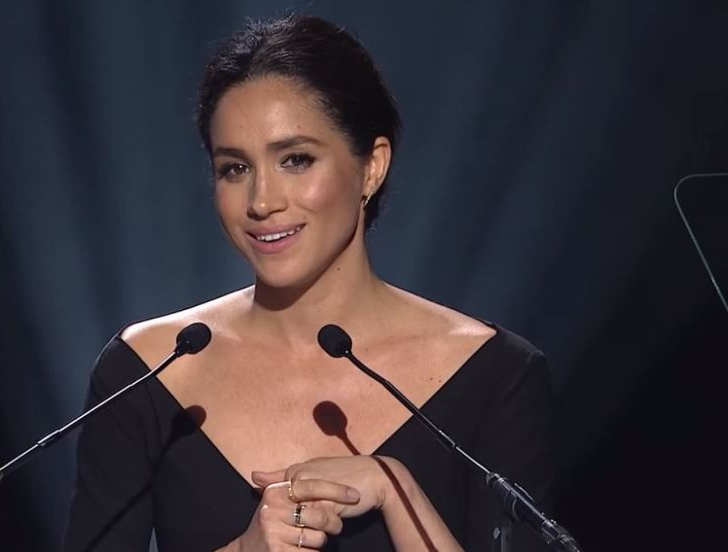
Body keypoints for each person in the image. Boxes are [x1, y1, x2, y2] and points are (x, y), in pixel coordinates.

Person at [63, 14, 552, 552]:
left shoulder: (496, 374)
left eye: (296, 160)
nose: (262, 201)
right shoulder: (147, 370)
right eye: (234, 169)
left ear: (372, 167)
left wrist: (396, 489)